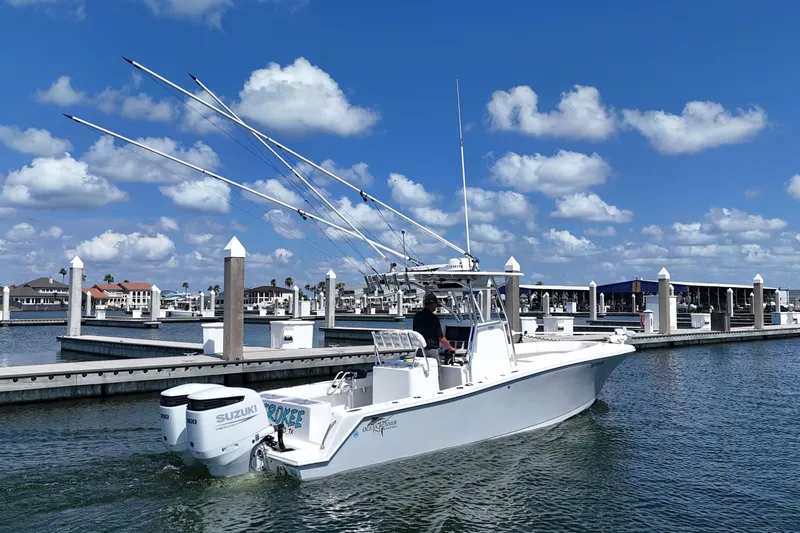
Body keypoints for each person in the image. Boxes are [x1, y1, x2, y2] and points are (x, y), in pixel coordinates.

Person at [413, 292, 456, 362]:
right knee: (436, 370)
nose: (436, 306)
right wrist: (451, 348)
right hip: (431, 351)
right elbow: (441, 337)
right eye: (436, 304)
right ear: (432, 303)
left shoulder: (417, 316)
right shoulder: (434, 318)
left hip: (419, 351)